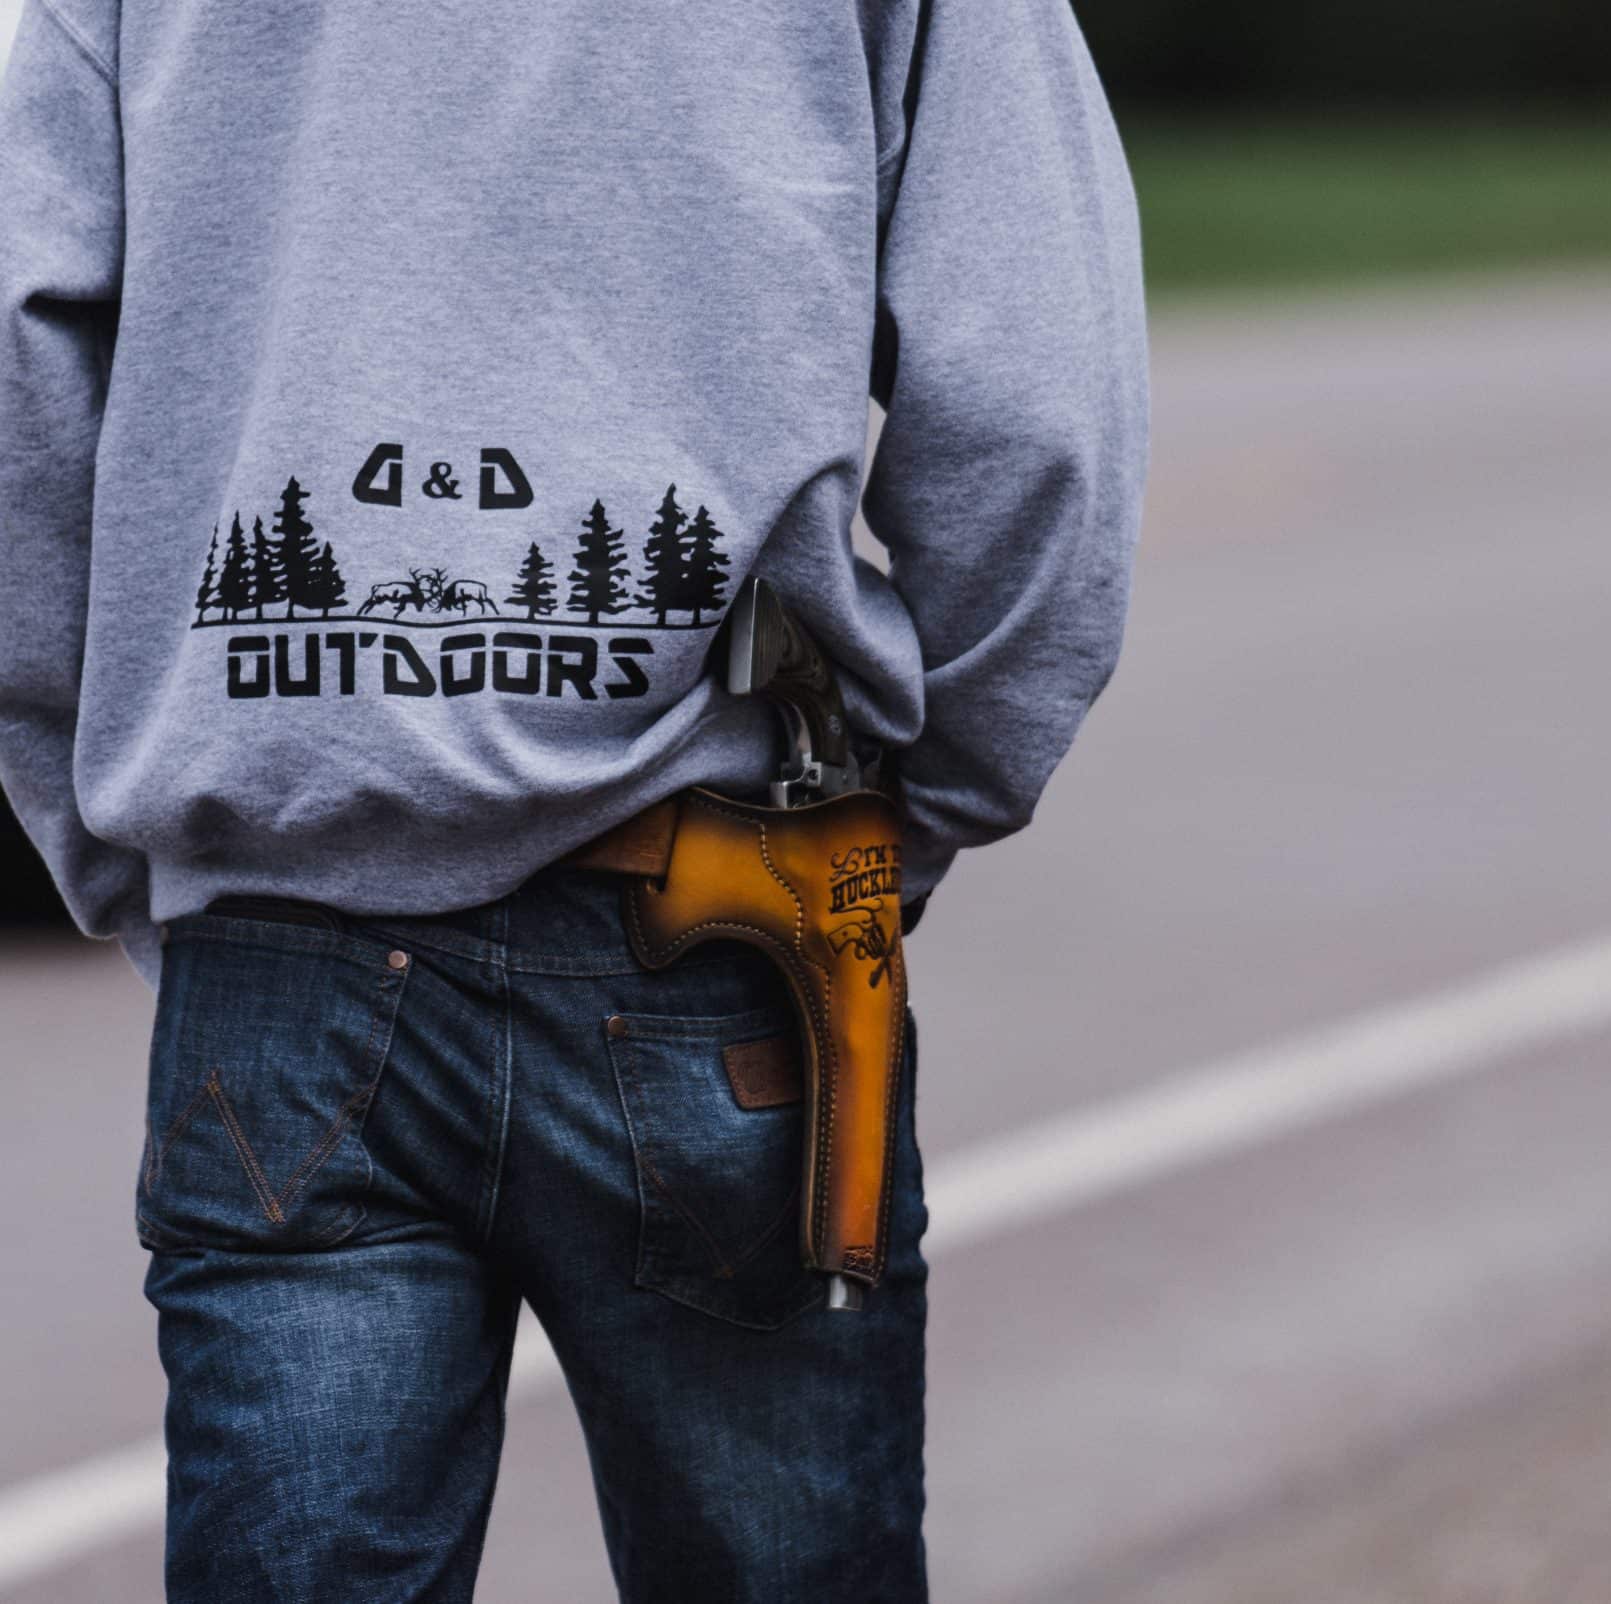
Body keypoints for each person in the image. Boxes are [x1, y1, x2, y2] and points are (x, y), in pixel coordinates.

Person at [0, 0, 1146, 1594]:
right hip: (736, 935)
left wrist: (137, 840)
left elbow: (18, 362)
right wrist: (899, 817)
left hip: (285, 954)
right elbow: (1038, 410)